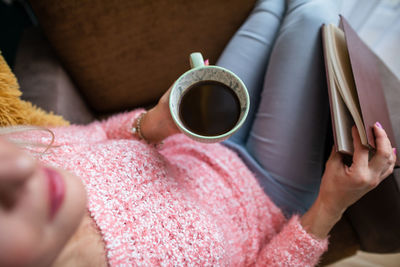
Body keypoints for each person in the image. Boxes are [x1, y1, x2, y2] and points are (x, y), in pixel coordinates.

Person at [0, 0, 396, 266]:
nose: (18, 165)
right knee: (312, 15)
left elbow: (100, 134)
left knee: (271, 8)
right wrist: (331, 205)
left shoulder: (22, 150)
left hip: (201, 133)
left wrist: (154, 123)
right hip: (270, 189)